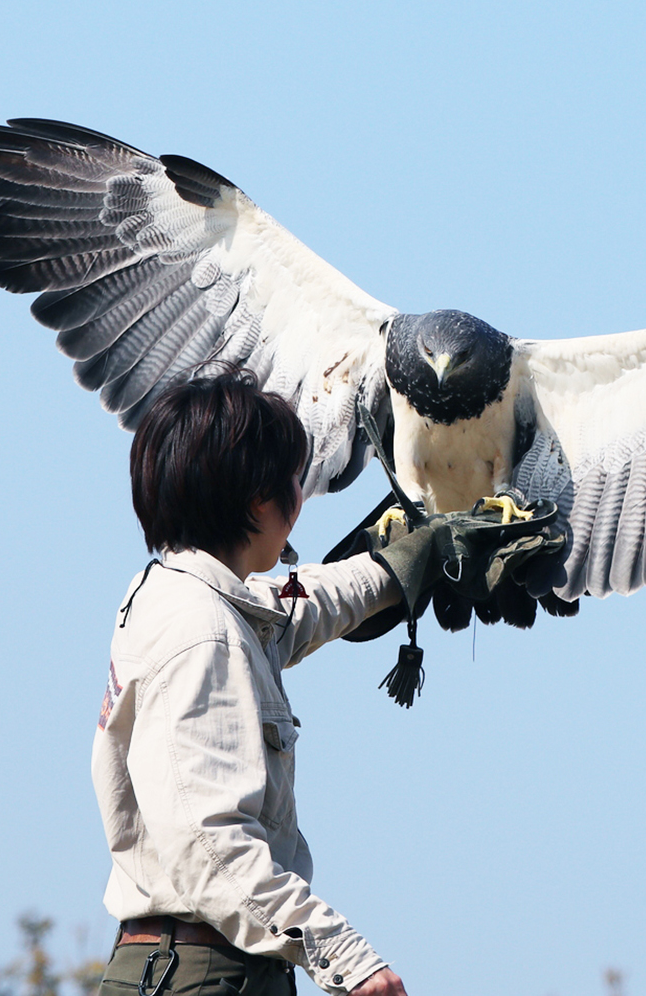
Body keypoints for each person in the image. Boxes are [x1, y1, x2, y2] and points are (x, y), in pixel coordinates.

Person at [93, 370, 411, 996]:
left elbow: (293, 608)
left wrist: (401, 564)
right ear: (258, 500)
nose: (302, 495)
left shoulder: (175, 595)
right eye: (296, 478)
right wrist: (349, 960)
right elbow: (212, 848)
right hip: (204, 972)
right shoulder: (202, 632)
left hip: (199, 964)